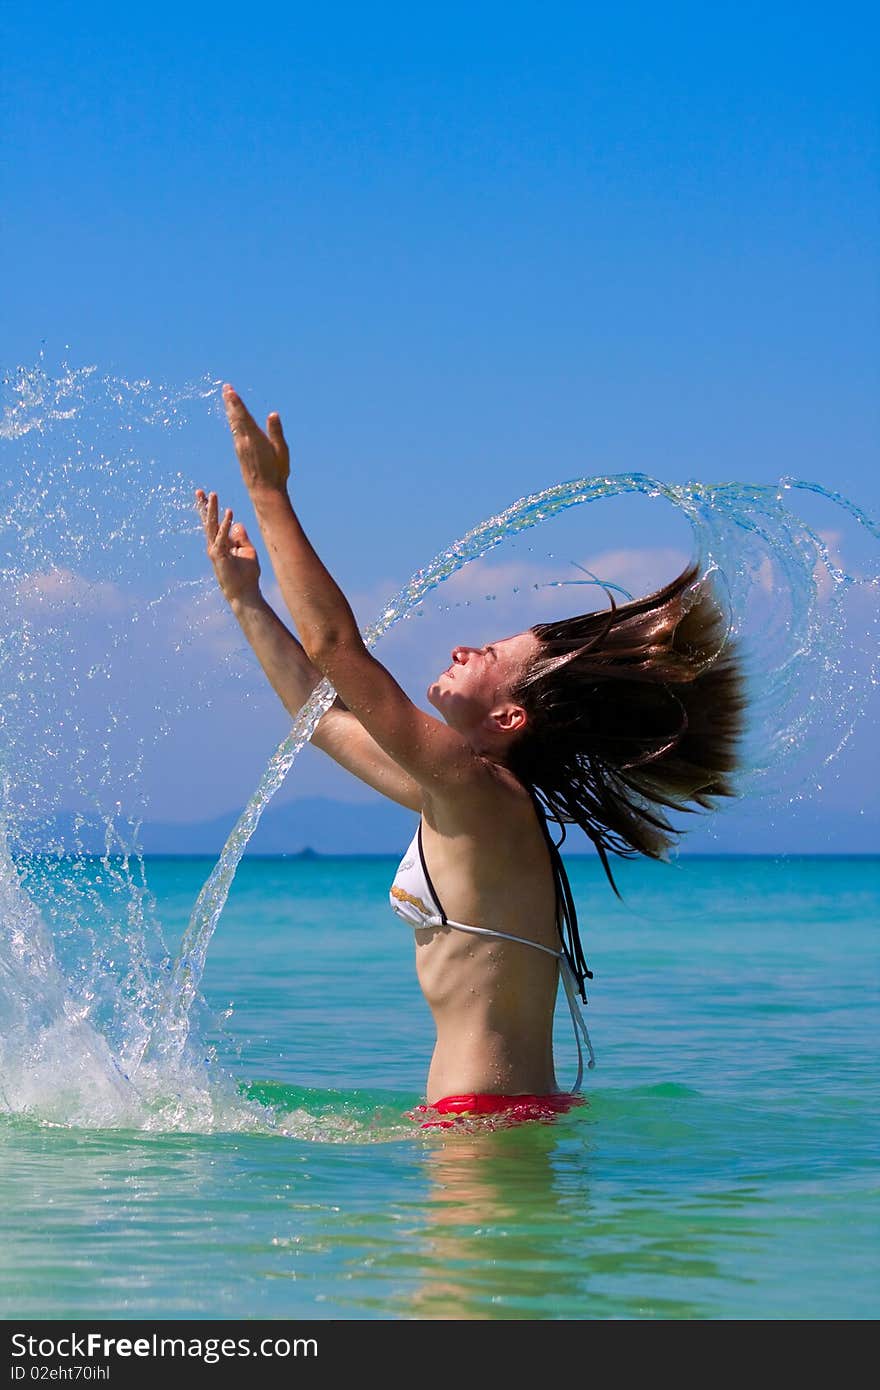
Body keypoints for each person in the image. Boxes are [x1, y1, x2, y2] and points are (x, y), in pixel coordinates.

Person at [196, 385, 745, 1128]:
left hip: (478, 1124)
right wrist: (245, 600)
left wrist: (268, 494)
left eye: (486, 653)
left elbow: (334, 650)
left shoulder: (476, 790)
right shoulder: (468, 802)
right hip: (499, 1116)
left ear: (509, 716)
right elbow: (318, 718)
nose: (460, 648)